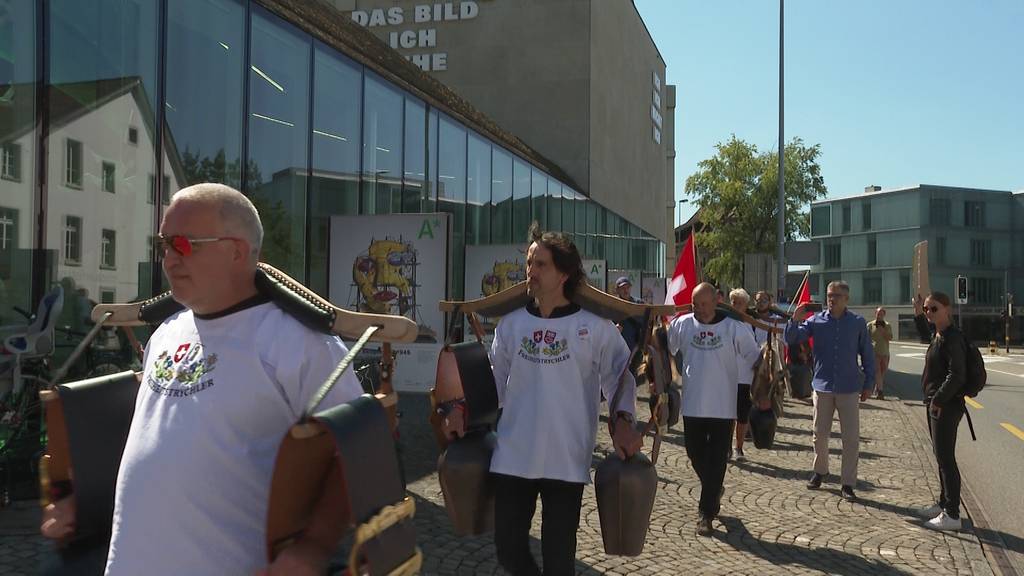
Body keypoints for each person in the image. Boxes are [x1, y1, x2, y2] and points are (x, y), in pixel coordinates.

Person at [40, 183, 363, 575]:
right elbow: (153, 439)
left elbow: (360, 447)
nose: (169, 259)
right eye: (164, 244)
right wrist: (85, 500)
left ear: (236, 251)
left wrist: (314, 546)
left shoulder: (300, 341)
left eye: (184, 244)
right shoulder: (167, 330)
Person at [444, 225, 641, 575]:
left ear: (563, 273)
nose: (530, 271)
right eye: (530, 262)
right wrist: (464, 409)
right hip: (514, 454)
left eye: (541, 264)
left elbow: (620, 375)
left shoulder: (594, 327)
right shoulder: (512, 324)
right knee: (508, 550)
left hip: (566, 458)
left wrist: (623, 420)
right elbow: (493, 379)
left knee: (559, 561)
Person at [668, 282, 759, 536]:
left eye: (705, 304)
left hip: (723, 406)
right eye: (696, 305)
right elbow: (666, 344)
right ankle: (713, 486)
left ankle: (705, 514)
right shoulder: (683, 324)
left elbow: (754, 357)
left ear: (717, 302)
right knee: (694, 453)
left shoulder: (734, 328)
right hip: (694, 404)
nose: (701, 309)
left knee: (718, 459)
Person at [785, 280, 875, 501]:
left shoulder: (857, 323)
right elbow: (792, 338)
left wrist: (869, 383)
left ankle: (848, 483)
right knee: (819, 434)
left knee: (851, 438)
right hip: (822, 386)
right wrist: (795, 320)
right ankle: (820, 471)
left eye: (836, 296)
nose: (831, 299)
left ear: (846, 299)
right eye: (829, 295)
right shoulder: (816, 320)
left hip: (849, 387)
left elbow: (867, 354)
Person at [912, 292, 966, 531]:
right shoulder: (939, 334)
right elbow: (925, 334)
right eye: (926, 309)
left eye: (933, 309)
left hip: (946, 405)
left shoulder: (952, 338)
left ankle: (952, 514)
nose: (929, 313)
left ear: (947, 309)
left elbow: (958, 374)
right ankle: (944, 504)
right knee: (940, 456)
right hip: (937, 403)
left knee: (946, 458)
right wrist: (918, 315)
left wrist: (939, 399)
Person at [728, 288, 754, 462]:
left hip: (745, 376)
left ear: (746, 305)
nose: (736, 306)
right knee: (727, 415)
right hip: (727, 376)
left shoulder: (751, 323)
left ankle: (739, 447)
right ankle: (725, 446)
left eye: (740, 303)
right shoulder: (723, 322)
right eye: (734, 302)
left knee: (742, 415)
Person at [614, 275, 645, 376]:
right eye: (622, 288)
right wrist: (614, 329)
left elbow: (645, 321)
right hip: (617, 349)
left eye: (627, 287)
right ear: (617, 290)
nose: (625, 290)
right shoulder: (612, 304)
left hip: (635, 348)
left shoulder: (639, 303)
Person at [867, 307, 894, 399]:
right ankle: (880, 392)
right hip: (874, 352)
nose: (879, 316)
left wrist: (883, 332)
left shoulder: (887, 325)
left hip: (885, 352)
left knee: (882, 372)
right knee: (877, 371)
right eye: (878, 314)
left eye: (881, 314)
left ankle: (877, 387)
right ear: (875, 314)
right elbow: (865, 339)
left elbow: (890, 338)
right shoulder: (870, 325)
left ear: (884, 315)